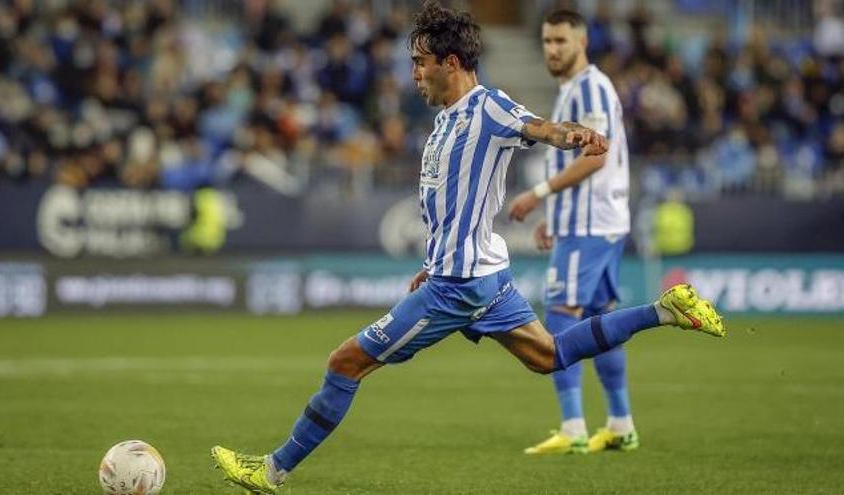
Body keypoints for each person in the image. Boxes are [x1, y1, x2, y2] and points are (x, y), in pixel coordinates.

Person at [210, 3, 724, 493]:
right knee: (551, 355)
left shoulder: (487, 107)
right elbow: (449, 209)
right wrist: (430, 263)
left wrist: (578, 136)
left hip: (457, 287)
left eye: (420, 62)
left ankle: (271, 472)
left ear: (450, 63)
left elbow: (541, 128)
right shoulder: (443, 123)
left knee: (345, 363)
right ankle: (665, 310)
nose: (413, 73)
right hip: (478, 276)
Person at [507, 10, 637, 455]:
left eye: (560, 40)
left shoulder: (590, 88)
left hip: (590, 225)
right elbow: (574, 157)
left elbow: (595, 155)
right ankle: (621, 424)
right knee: (601, 322)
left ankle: (573, 426)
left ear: (581, 41)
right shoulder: (571, 92)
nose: (552, 49)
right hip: (588, 221)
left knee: (560, 321)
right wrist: (555, 213)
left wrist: (538, 193)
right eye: (546, 41)